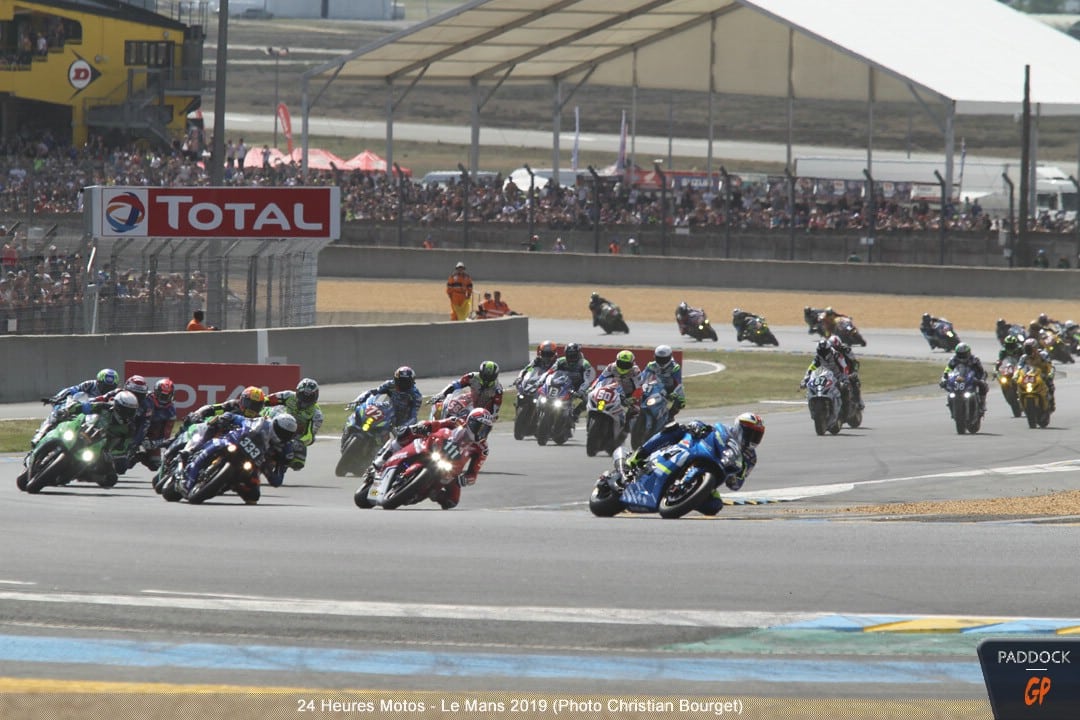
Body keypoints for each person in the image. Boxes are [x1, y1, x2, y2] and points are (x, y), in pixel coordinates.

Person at [625, 412, 765, 510]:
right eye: (750, 433)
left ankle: (684, 499)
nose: (752, 438)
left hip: (715, 473)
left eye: (757, 435)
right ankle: (638, 455)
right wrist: (697, 426)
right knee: (675, 429)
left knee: (715, 505)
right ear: (740, 428)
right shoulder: (725, 430)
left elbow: (737, 484)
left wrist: (735, 478)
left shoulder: (750, 458)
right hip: (700, 451)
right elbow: (706, 428)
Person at [368, 409, 492, 510]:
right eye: (479, 427)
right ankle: (383, 458)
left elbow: (473, 474)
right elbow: (435, 424)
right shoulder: (455, 422)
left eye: (485, 430)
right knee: (406, 433)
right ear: (470, 422)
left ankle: (432, 493)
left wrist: (464, 479)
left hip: (450, 469)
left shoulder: (482, 449)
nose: (481, 432)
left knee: (452, 501)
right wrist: (422, 426)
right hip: (432, 447)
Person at [20, 390, 143, 489]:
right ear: (117, 406)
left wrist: (114, 454)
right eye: (126, 410)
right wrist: (67, 410)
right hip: (83, 430)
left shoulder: (128, 428)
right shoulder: (103, 407)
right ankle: (37, 450)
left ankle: (75, 474)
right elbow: (84, 407)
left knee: (110, 478)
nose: (128, 414)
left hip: (100, 446)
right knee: (60, 425)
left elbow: (124, 446)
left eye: (131, 411)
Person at [32, 368, 120, 446]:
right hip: (77, 406)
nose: (106, 389)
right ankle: (40, 434)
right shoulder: (90, 384)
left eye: (110, 387)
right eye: (104, 386)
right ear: (98, 382)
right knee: (57, 413)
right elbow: (72, 390)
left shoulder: (115, 395)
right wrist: (57, 398)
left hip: (92, 416)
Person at [801, 335, 864, 410]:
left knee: (853, 381)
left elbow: (855, 363)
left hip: (847, 371)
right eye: (832, 347)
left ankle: (859, 402)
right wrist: (806, 379)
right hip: (829, 373)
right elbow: (812, 367)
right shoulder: (819, 356)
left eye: (835, 347)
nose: (834, 349)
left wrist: (854, 372)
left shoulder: (844, 351)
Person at [349, 366, 424, 429]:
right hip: (387, 414)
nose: (402, 384)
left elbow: (413, 417)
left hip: (402, 422)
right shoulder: (390, 384)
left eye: (406, 382)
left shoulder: (416, 396)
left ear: (412, 382)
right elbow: (373, 392)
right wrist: (358, 400)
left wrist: (404, 426)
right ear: (395, 379)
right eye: (400, 381)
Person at [541, 341, 596, 421]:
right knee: (542, 395)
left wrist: (581, 390)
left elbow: (587, 380)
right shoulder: (560, 361)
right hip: (561, 385)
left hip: (577, 387)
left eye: (573, 355)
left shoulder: (585, 364)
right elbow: (549, 371)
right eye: (569, 355)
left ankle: (576, 413)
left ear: (578, 354)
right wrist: (541, 380)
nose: (571, 357)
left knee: (588, 398)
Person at [432, 360, 504, 419]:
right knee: (452, 406)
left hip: (482, 409)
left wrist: (492, 415)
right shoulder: (472, 377)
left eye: (490, 377)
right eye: (485, 376)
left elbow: (496, 406)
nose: (486, 380)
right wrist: (442, 394)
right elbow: (455, 385)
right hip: (470, 399)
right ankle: (444, 420)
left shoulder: (498, 389)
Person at [265, 378, 323, 446]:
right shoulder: (288, 395)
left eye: (310, 397)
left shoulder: (317, 415)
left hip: (295, 437)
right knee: (275, 409)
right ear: (297, 391)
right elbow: (267, 399)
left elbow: (310, 437)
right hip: (278, 424)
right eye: (302, 395)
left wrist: (298, 442)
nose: (305, 400)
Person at [590, 350, 643, 419]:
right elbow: (600, 379)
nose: (623, 367)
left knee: (635, 411)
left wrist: (632, 398)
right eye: (621, 363)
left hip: (629, 394)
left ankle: (627, 423)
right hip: (612, 391)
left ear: (632, 364)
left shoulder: (635, 371)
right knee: (594, 400)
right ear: (617, 361)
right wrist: (592, 388)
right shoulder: (611, 367)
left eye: (626, 365)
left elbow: (639, 388)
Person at [939, 342, 989, 413]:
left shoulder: (974, 360)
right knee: (948, 388)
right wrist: (944, 379)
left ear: (968, 352)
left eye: (964, 354)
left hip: (971, 379)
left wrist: (981, 379)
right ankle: (951, 403)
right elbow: (947, 371)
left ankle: (982, 403)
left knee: (983, 386)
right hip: (958, 379)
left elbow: (981, 371)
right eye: (960, 354)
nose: (962, 356)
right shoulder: (953, 360)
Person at [640, 345, 686, 419]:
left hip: (671, 388)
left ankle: (670, 416)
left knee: (681, 401)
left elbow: (678, 383)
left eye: (664, 359)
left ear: (670, 357)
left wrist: (675, 393)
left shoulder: (675, 367)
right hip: (658, 386)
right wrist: (644, 386)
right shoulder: (651, 365)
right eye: (659, 359)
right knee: (643, 394)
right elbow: (644, 378)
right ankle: (640, 411)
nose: (661, 361)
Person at [1019, 337, 1056, 411]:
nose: (1028, 350)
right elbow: (1019, 367)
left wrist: (1051, 373)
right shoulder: (1024, 357)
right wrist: (1016, 375)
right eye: (1026, 349)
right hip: (1029, 376)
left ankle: (1051, 402)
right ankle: (1020, 402)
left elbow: (1050, 365)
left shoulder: (1043, 354)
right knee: (1019, 384)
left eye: (1030, 348)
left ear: (1035, 348)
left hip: (1043, 375)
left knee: (1050, 385)